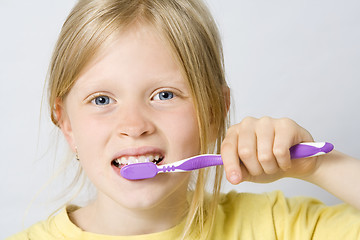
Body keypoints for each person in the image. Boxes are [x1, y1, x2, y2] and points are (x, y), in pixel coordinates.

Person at [8, 0, 360, 239]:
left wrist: (319, 167)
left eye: (164, 95)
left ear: (211, 112)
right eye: (102, 100)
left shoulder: (279, 226)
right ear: (67, 124)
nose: (133, 125)